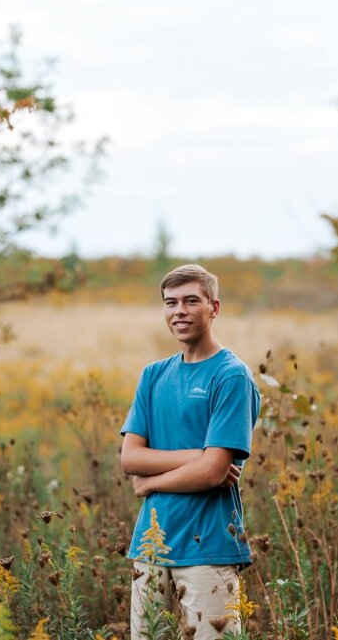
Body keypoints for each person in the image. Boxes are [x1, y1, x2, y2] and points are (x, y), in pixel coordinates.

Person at [120, 263, 261, 640]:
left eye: (190, 301)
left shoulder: (231, 376)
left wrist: (149, 483)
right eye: (170, 303)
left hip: (209, 548)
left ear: (214, 308)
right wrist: (198, 455)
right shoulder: (153, 375)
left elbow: (214, 472)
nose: (179, 311)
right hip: (150, 547)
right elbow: (130, 459)